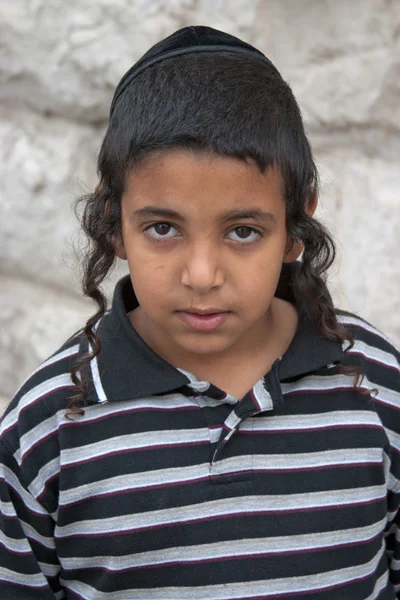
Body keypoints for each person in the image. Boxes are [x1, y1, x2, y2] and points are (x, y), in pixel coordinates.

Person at [1, 25, 399, 600]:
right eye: (162, 228)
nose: (202, 275)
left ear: (295, 224)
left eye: (243, 231)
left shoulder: (372, 383)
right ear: (115, 222)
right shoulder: (49, 429)